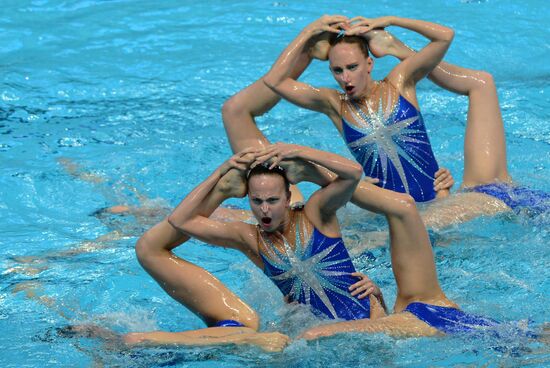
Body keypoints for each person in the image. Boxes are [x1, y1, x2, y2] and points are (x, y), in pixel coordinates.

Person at [262, 16, 549, 227]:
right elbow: (274, 81)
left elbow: (444, 35)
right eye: (338, 70)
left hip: (439, 204)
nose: (346, 78)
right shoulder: (333, 104)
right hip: (397, 214)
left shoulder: (399, 83)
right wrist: (309, 32)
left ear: (369, 64)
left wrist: (392, 20)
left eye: (352, 67)